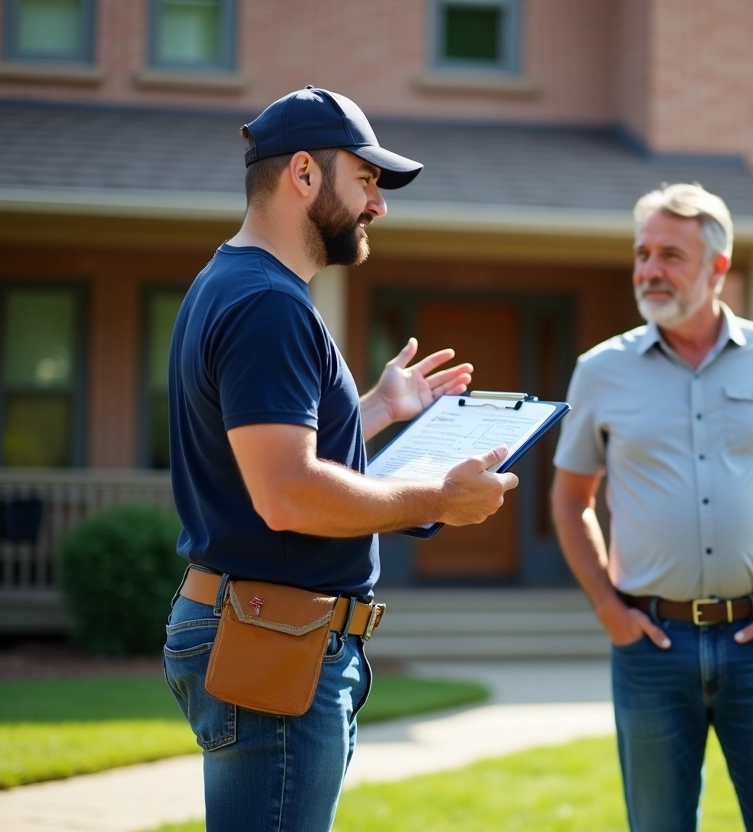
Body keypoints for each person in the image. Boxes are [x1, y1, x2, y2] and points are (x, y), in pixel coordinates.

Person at [163, 87, 518, 831]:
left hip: (260, 625)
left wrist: (378, 410)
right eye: (365, 180)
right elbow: (286, 494)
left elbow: (266, 454)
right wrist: (438, 502)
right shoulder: (270, 304)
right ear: (302, 175)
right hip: (276, 638)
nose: (378, 205)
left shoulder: (230, 282)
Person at [551, 183, 753, 832]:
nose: (649, 269)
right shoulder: (599, 370)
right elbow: (570, 498)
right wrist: (609, 609)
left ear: (717, 268)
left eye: (670, 254)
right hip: (650, 649)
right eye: (642, 253)